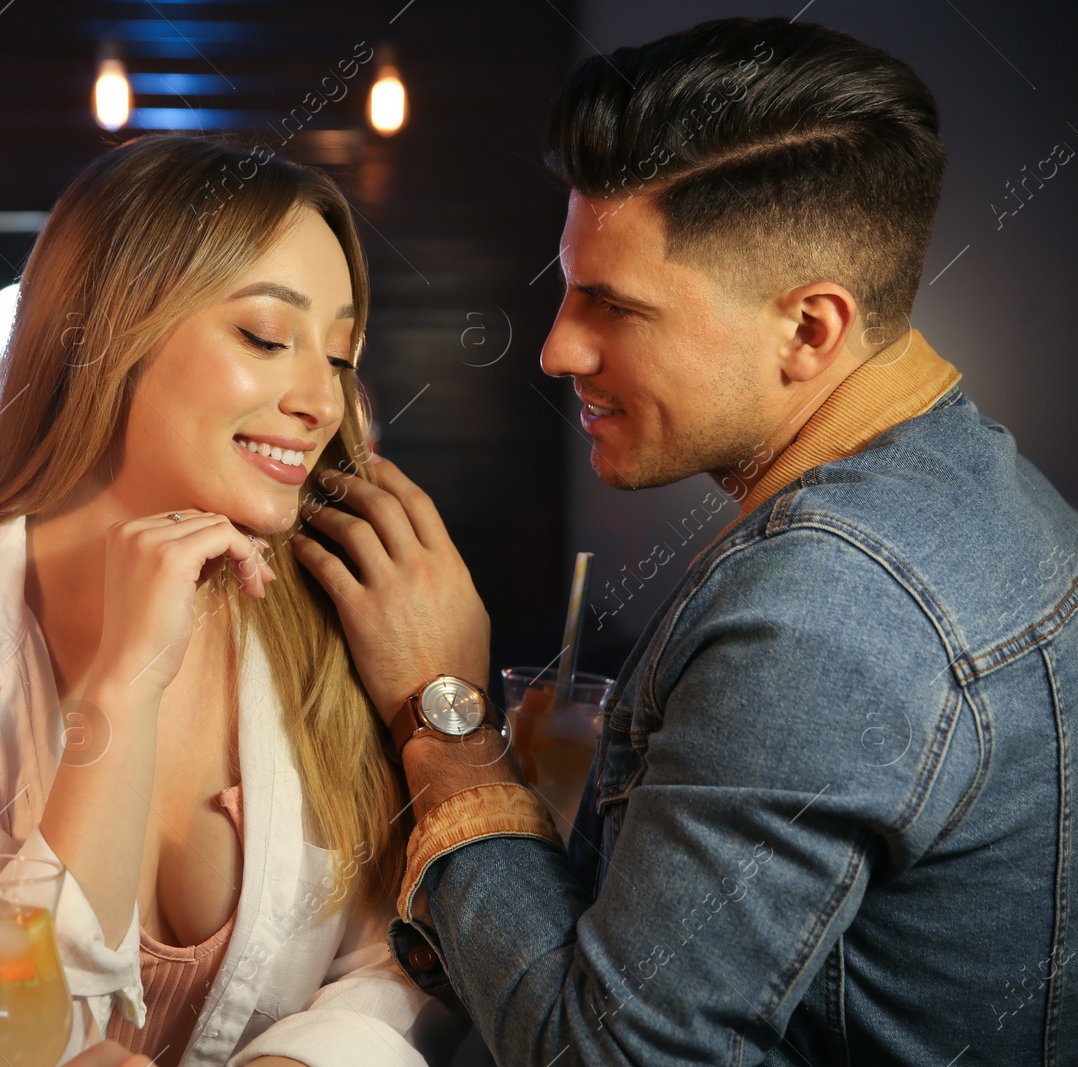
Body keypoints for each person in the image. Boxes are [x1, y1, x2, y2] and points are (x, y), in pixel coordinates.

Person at [289, 16, 1078, 1066]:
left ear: (810, 329)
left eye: (613, 305)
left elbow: (609, 1053)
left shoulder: (825, 618)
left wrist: (445, 717)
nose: (560, 344)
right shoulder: (983, 480)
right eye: (571, 285)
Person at [0, 135, 460, 1067]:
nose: (322, 400)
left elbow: (406, 960)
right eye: (267, 337)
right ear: (109, 332)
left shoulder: (335, 607)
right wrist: (117, 693)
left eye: (342, 355)